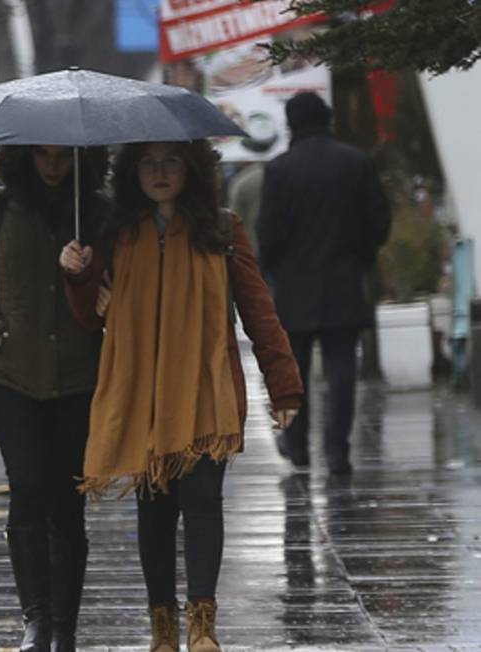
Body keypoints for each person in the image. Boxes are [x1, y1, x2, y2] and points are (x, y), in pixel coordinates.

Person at [59, 140, 303, 652]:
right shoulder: (117, 232)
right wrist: (78, 276)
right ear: (133, 172)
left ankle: (202, 626)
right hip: (142, 391)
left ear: (191, 168)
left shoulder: (221, 228)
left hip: (204, 385)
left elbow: (258, 307)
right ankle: (162, 627)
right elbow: (89, 315)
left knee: (203, 502)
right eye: (148, 162)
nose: (160, 172)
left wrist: (283, 383)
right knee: (154, 508)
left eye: (171, 161)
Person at [0, 144, 111, 652]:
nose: (52, 165)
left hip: (79, 379)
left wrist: (92, 279)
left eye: (63, 156)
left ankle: (64, 627)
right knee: (27, 487)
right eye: (42, 154)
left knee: (67, 500)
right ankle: (36, 619)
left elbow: (122, 285)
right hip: (11, 378)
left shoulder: (99, 211)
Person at [257, 91, 391, 475]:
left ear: (290, 124)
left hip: (294, 288)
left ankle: (297, 445)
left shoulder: (280, 170)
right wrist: (360, 259)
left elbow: (268, 234)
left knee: (292, 374)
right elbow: (379, 221)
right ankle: (337, 451)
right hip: (344, 282)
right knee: (342, 371)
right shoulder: (355, 162)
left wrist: (273, 274)